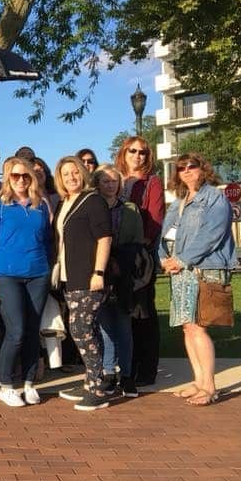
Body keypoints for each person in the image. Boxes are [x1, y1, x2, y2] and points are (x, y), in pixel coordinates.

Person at [159, 153, 236, 406]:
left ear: (203, 169)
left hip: (203, 269)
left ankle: (210, 386)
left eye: (192, 167)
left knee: (199, 326)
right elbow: (165, 235)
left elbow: (211, 235)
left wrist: (181, 259)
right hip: (180, 272)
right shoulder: (180, 201)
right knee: (187, 327)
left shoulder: (215, 198)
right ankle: (198, 381)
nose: (187, 171)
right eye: (181, 168)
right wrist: (163, 258)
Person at [0, 158, 53, 407]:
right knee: (17, 330)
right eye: (15, 176)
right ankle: (6, 385)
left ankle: (29, 382)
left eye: (25, 176)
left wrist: (50, 268)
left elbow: (47, 241)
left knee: (33, 330)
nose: (21, 180)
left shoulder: (40, 205)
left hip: (38, 274)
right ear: (6, 178)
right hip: (7, 275)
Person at [52, 156, 113, 411]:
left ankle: (98, 388)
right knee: (88, 329)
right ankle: (91, 381)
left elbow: (105, 237)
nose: (71, 177)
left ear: (82, 173)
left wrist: (99, 271)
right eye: (65, 174)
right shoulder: (64, 203)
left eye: (74, 172)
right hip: (69, 276)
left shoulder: (93, 200)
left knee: (80, 328)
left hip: (89, 275)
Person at [115, 135, 166, 386]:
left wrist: (140, 243)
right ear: (124, 153)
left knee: (143, 311)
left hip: (138, 255)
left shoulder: (152, 182)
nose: (138, 155)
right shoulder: (115, 179)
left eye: (143, 152)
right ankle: (126, 365)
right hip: (114, 254)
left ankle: (146, 370)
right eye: (132, 151)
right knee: (123, 311)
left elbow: (155, 218)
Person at [93, 164, 144, 398]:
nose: (110, 185)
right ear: (97, 183)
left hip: (123, 273)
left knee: (123, 325)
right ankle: (108, 372)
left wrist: (119, 259)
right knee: (104, 326)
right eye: (105, 181)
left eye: (114, 181)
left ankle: (127, 374)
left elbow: (137, 240)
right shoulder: (92, 206)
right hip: (98, 272)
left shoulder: (130, 209)